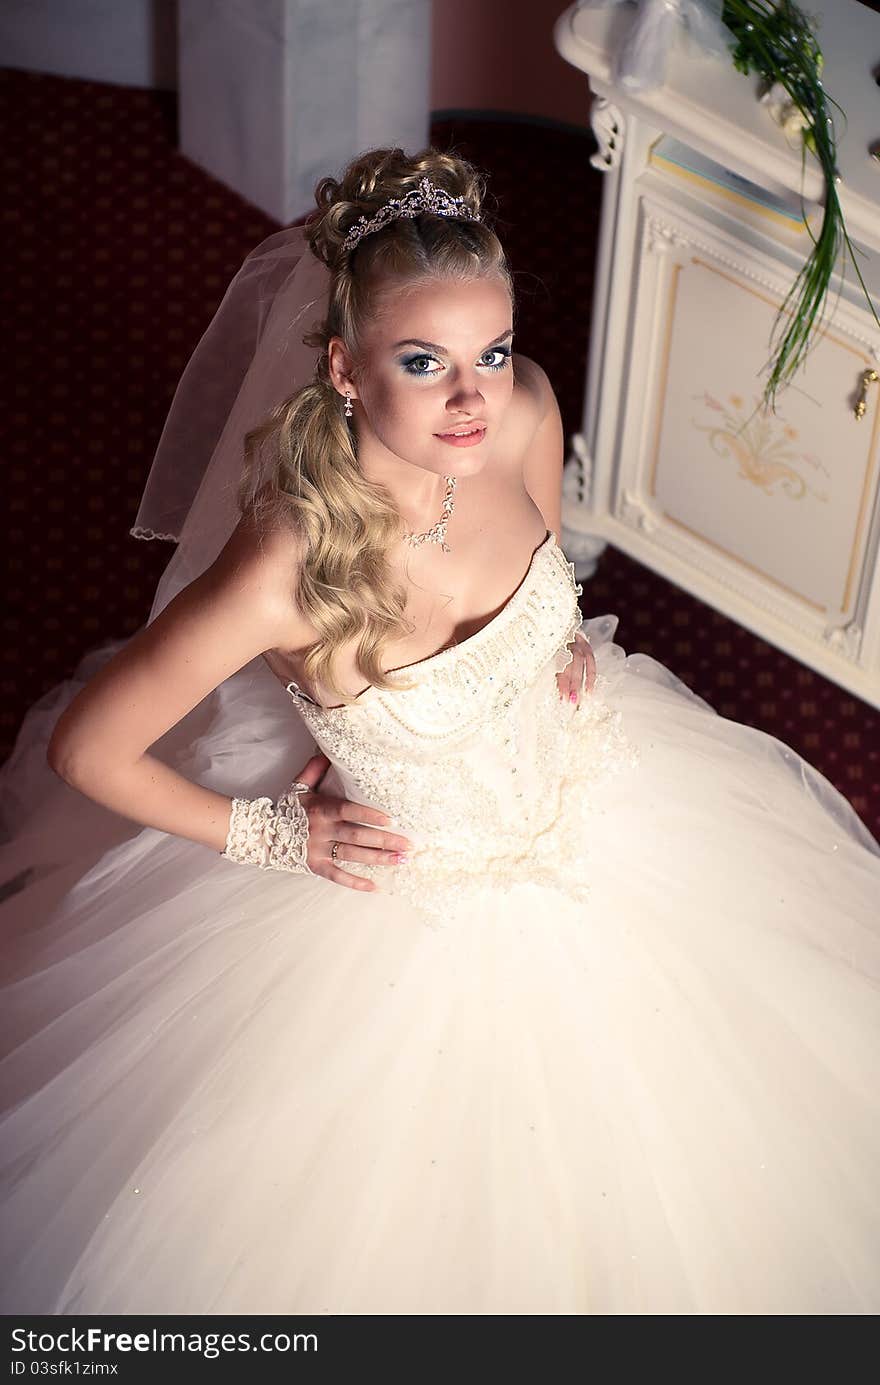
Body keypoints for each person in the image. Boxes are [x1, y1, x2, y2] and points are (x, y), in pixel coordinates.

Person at [1, 144, 879, 1317]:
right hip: (401, 911)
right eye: (425, 363)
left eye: (491, 351)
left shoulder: (518, 419)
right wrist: (278, 835)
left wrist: (554, 645)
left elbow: (548, 557)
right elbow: (89, 750)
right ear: (345, 369)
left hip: (600, 805)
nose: (474, 396)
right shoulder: (287, 569)